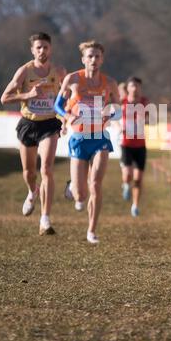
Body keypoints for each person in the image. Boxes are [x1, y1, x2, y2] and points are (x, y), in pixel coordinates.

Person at [54, 40, 120, 244]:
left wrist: (110, 115)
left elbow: (117, 108)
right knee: (81, 195)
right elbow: (57, 105)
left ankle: (92, 230)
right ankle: (74, 187)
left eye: (97, 56)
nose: (93, 60)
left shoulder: (109, 83)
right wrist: (67, 117)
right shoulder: (73, 79)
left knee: (96, 184)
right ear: (83, 59)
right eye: (90, 56)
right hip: (79, 137)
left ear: (102, 59)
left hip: (99, 137)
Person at [0, 32, 66, 235]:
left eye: (45, 47)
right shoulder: (24, 72)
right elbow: (5, 98)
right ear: (32, 50)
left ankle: (45, 219)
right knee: (29, 173)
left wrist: (65, 118)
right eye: (38, 47)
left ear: (51, 49)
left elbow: (68, 96)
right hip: (28, 124)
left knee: (46, 169)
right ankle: (32, 190)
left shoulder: (60, 71)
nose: (42, 51)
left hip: (49, 125)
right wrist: (28, 94)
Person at [120, 77, 149, 217]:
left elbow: (150, 118)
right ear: (128, 88)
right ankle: (125, 185)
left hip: (140, 145)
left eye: (138, 85)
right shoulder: (122, 102)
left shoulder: (145, 102)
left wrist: (145, 119)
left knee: (138, 179)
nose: (135, 88)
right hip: (126, 144)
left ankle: (135, 205)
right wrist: (119, 125)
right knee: (128, 175)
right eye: (133, 85)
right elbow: (114, 118)